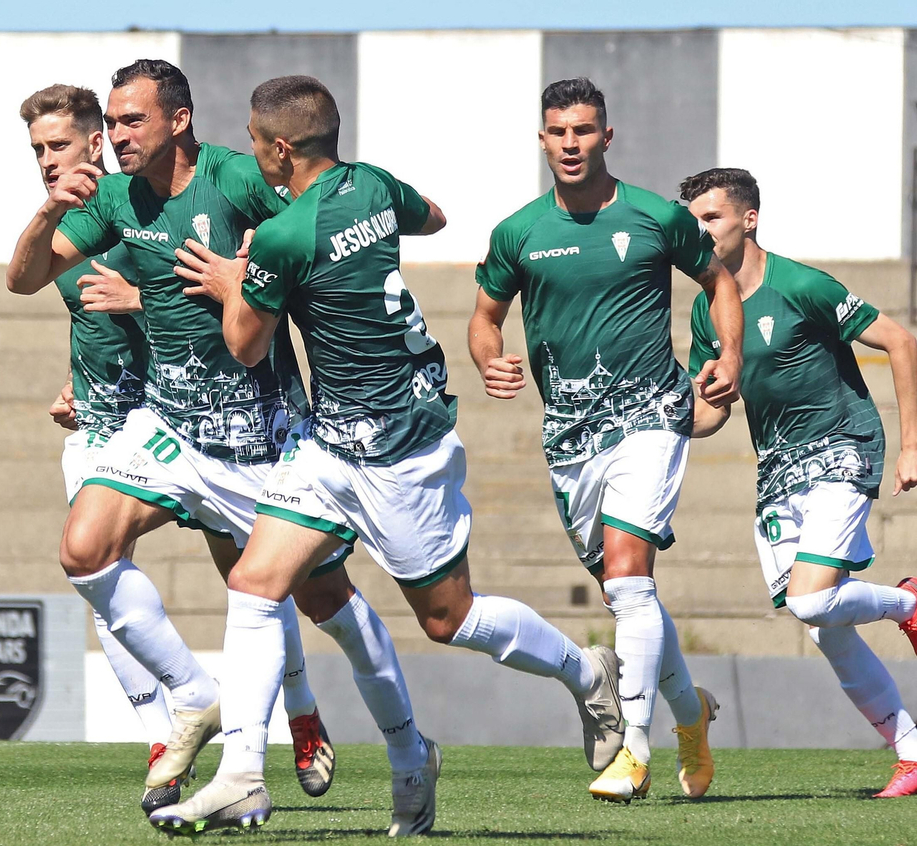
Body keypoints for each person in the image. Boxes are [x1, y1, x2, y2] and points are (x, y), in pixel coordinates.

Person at [150, 75, 625, 836]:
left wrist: (238, 279)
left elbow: (244, 345)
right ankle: (242, 775)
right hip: (328, 445)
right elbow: (432, 217)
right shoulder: (369, 184)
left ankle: (585, 671)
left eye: (252, 140)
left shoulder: (281, 237)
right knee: (255, 581)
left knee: (448, 619)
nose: (250, 153)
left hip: (401, 449)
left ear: (278, 150)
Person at [4, 59, 402, 807]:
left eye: (124, 124)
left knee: (306, 600)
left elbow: (303, 237)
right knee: (87, 552)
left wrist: (239, 281)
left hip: (260, 433)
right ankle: (189, 708)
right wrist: (49, 217)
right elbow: (35, 286)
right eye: (40, 150)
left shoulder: (229, 181)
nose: (102, 143)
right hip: (151, 426)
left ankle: (374, 737)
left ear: (171, 123)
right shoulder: (101, 203)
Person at [467, 78, 743, 802]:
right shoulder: (518, 231)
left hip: (651, 413)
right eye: (558, 131)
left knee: (625, 581)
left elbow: (720, 283)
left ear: (606, 137)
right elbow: (484, 316)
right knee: (630, 596)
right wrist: (488, 356)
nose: (570, 143)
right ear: (542, 138)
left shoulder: (655, 216)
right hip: (569, 436)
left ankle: (636, 748)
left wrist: (729, 357)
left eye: (583, 131)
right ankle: (693, 716)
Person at [682, 167, 917, 799]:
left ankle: (908, 604)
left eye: (711, 217)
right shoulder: (709, 310)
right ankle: (912, 754)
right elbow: (712, 412)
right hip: (779, 471)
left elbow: (900, 340)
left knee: (812, 601)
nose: (699, 230)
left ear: (748, 218)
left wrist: (911, 445)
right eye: (693, 220)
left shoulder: (801, 284)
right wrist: (674, 417)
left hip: (844, 447)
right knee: (824, 628)